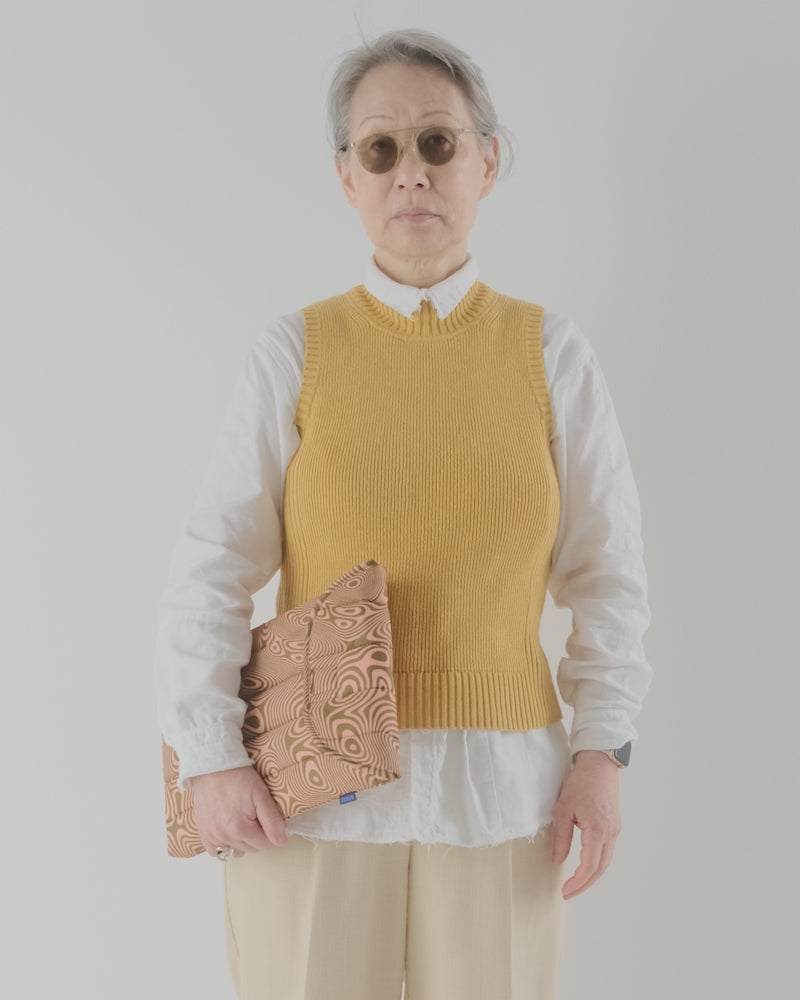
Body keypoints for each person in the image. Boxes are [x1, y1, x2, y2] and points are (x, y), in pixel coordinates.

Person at [153, 28, 652, 1000]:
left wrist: (602, 750)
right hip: (307, 804)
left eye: (437, 142)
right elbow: (210, 565)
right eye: (381, 148)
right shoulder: (293, 353)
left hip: (502, 800)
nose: (410, 172)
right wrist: (209, 755)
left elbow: (610, 575)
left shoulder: (550, 356)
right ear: (348, 177)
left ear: (486, 162)